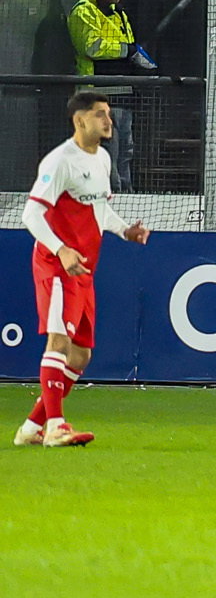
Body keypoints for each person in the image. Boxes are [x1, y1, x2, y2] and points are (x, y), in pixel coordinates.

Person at [22, 86, 149, 447]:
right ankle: (56, 427)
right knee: (59, 341)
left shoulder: (102, 159)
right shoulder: (60, 161)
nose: (108, 120)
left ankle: (33, 426)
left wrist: (124, 230)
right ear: (79, 120)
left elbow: (98, 209)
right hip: (56, 264)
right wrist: (61, 249)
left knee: (81, 353)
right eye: (100, 114)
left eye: (108, 114)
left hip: (84, 268)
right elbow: (31, 213)